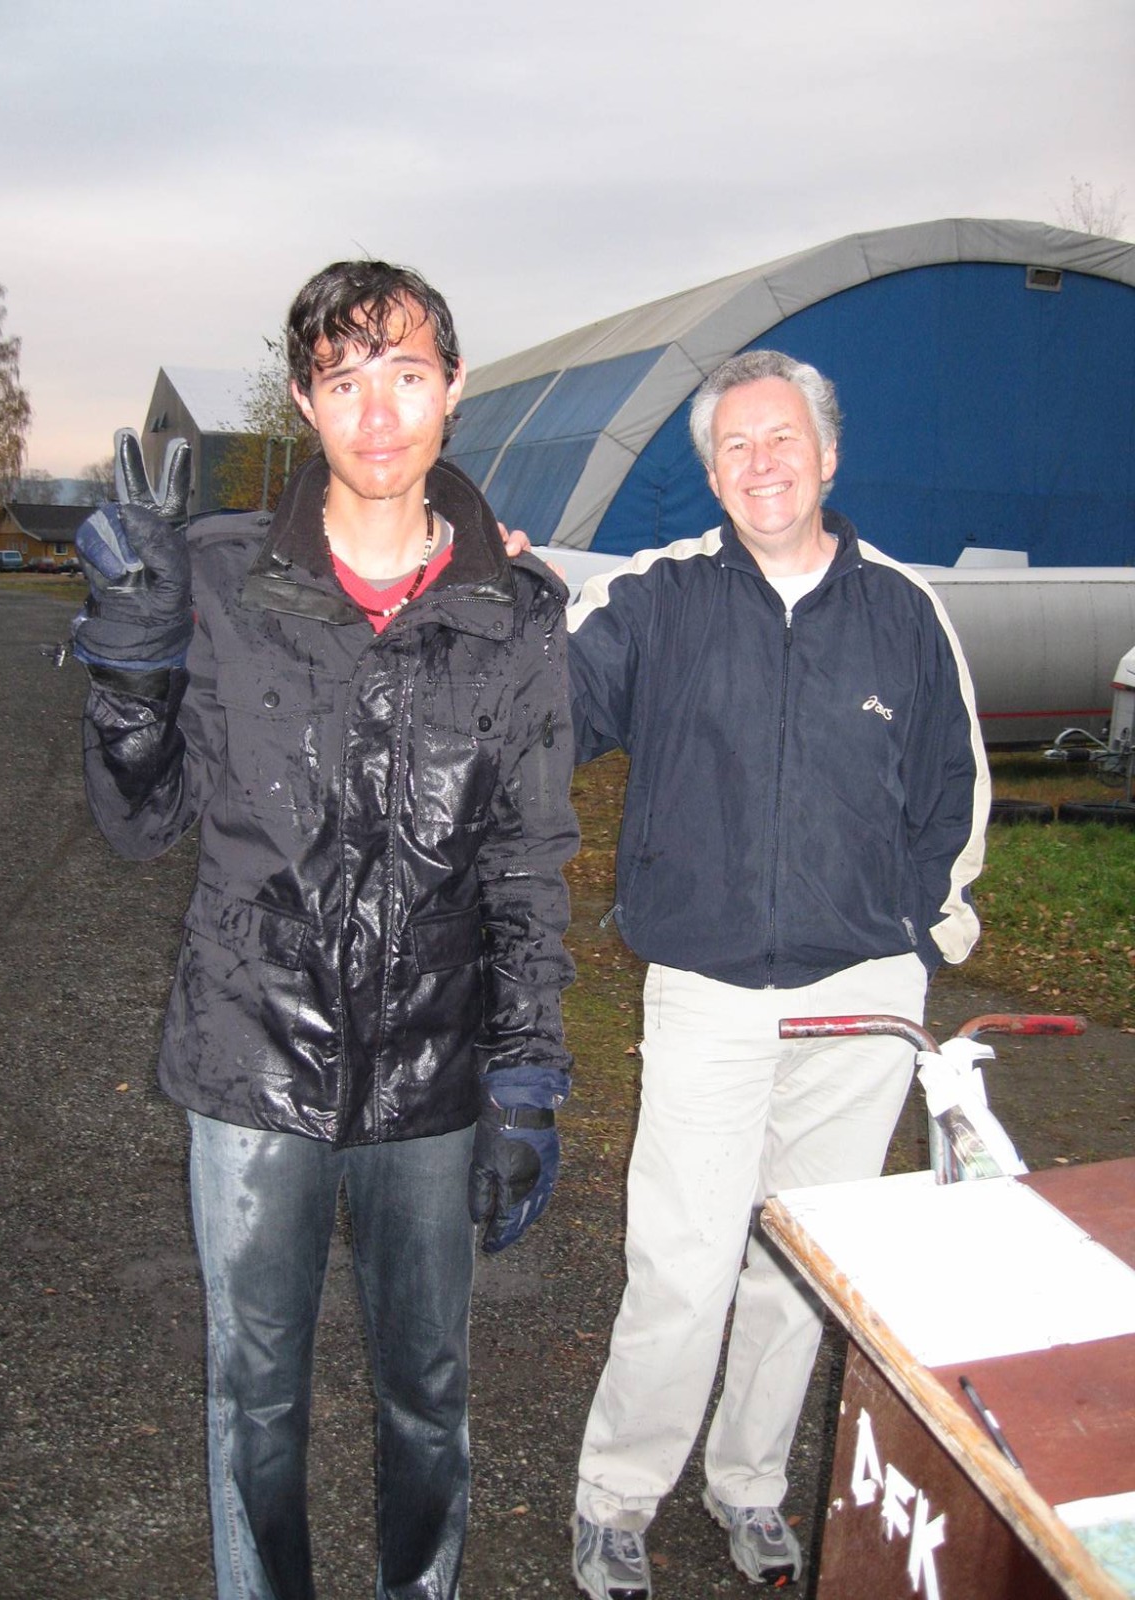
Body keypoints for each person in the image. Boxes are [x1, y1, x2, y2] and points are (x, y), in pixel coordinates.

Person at [70, 259, 578, 1600]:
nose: (379, 412)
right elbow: (141, 822)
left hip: (436, 1071)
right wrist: (130, 667)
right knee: (254, 1395)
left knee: (429, 1392)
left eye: (406, 374)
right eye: (345, 380)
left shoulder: (515, 614)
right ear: (304, 401)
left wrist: (527, 1075)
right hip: (251, 1063)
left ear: (454, 389)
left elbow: (528, 861)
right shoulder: (221, 579)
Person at [564, 349, 989, 1595]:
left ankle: (748, 1485)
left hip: (862, 1001)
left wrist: (919, 935)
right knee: (683, 1262)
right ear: (711, 473)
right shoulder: (658, 600)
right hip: (708, 990)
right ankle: (616, 1497)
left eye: (782, 438)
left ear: (829, 455)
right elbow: (549, 711)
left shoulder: (905, 611)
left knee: (803, 1268)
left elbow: (954, 789)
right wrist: (493, 609)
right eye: (735, 446)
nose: (761, 463)